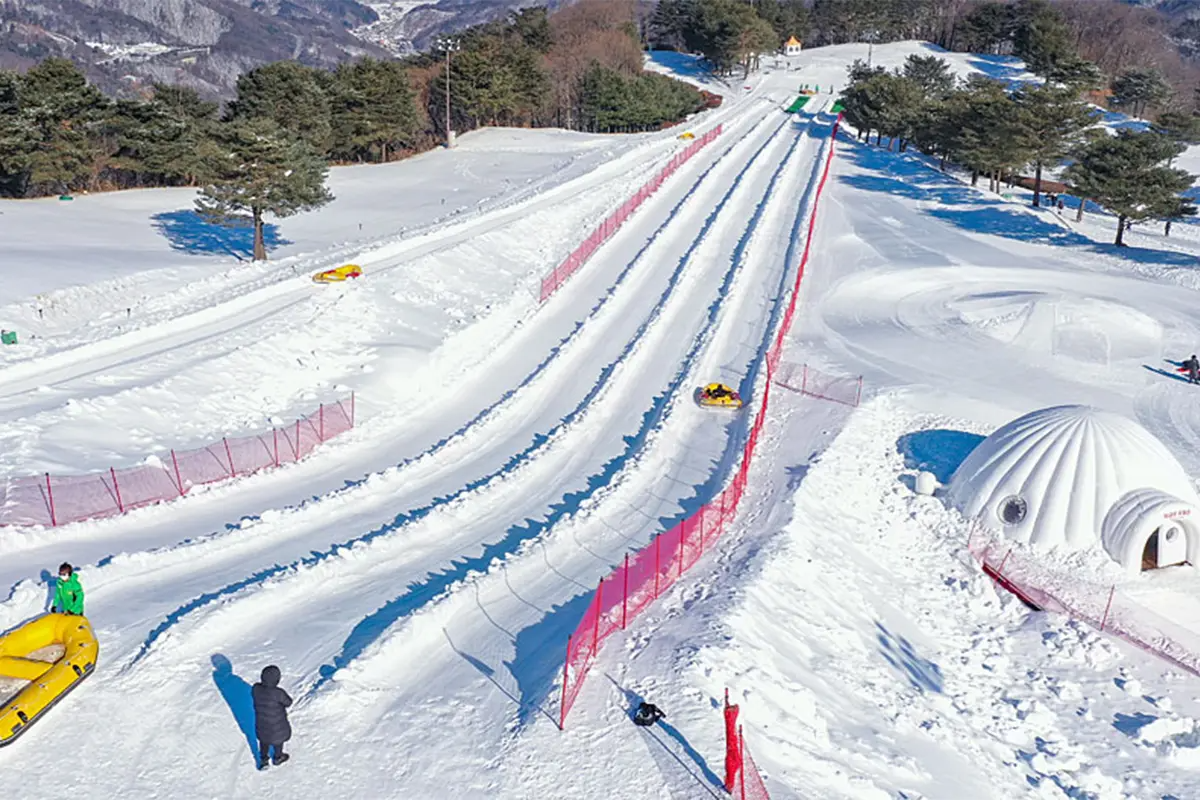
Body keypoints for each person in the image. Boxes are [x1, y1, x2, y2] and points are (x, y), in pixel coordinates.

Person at [252, 665, 293, 770]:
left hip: (262, 723)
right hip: (277, 725)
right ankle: (278, 757)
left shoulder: (256, 689)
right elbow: (288, 702)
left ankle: (264, 760)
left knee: (263, 740)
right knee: (278, 740)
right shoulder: (278, 693)